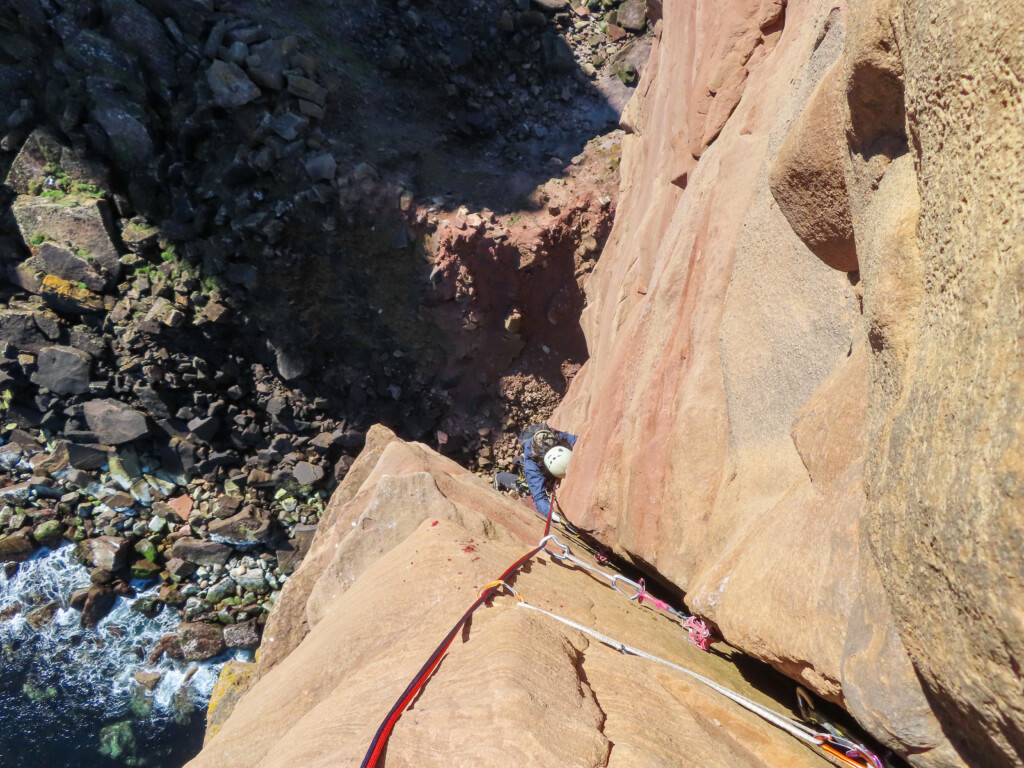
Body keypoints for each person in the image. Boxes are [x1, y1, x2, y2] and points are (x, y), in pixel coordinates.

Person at [521, 423, 577, 522]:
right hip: (535, 458)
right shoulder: (532, 464)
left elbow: (579, 442)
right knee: (525, 484)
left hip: (552, 445)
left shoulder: (560, 438)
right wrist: (551, 514)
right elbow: (538, 497)